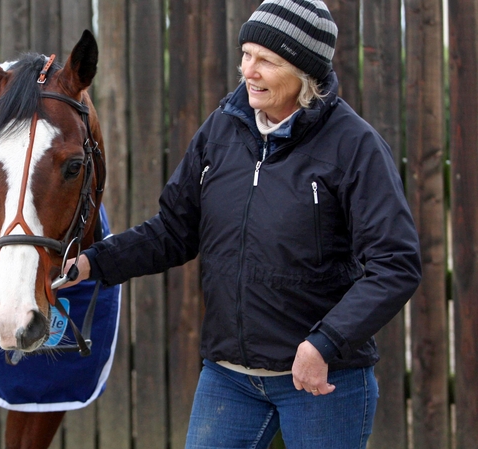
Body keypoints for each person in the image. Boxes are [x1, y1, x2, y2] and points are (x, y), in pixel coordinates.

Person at [63, 1, 422, 447]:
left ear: (304, 74)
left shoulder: (354, 146)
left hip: (321, 379)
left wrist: (324, 344)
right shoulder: (222, 130)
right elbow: (174, 231)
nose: (248, 71)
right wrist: (92, 263)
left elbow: (396, 264)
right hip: (229, 378)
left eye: (266, 61)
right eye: (246, 54)